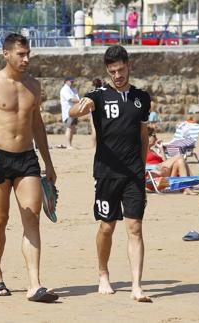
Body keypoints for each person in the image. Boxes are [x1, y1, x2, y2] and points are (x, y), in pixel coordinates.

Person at [0, 33, 58, 303]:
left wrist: (49, 162)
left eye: (28, 53)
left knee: (32, 217)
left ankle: (35, 284)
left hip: (27, 159)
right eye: (21, 54)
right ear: (6, 54)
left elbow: (37, 125)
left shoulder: (34, 86)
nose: (26, 58)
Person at [69, 45, 152, 302]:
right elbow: (75, 111)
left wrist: (142, 166)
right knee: (107, 227)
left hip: (134, 173)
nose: (117, 75)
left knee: (135, 227)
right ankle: (103, 273)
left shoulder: (142, 97)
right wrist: (80, 108)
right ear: (107, 70)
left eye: (121, 69)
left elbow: (143, 136)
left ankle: (136, 286)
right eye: (113, 71)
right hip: (106, 172)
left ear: (129, 66)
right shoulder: (99, 95)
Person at [146, 127, 197, 195]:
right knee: (179, 157)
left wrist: (161, 148)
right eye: (153, 135)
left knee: (180, 161)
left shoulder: (152, 151)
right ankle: (191, 182)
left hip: (163, 171)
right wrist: (153, 167)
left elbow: (164, 162)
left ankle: (186, 188)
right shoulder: (141, 150)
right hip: (153, 174)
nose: (155, 137)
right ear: (146, 137)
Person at [60, 76, 80, 149]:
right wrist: (82, 101)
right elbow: (71, 99)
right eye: (70, 81)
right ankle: (68, 145)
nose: (72, 83)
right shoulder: (65, 89)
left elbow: (76, 98)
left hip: (74, 111)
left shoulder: (72, 89)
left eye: (72, 81)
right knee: (69, 128)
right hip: (68, 112)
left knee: (72, 128)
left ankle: (70, 144)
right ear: (66, 81)